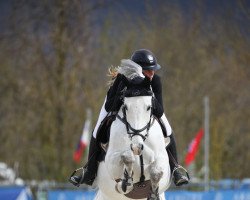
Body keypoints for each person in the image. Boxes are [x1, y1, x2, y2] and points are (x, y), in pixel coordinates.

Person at [69, 49, 189, 187]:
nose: (152, 73)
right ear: (138, 70)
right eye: (148, 70)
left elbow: (160, 109)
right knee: (97, 129)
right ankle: (89, 171)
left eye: (153, 70)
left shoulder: (155, 81)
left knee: (167, 129)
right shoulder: (122, 79)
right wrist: (122, 96)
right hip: (116, 107)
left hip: (146, 109)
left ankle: (175, 169)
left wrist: (150, 99)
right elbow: (110, 107)